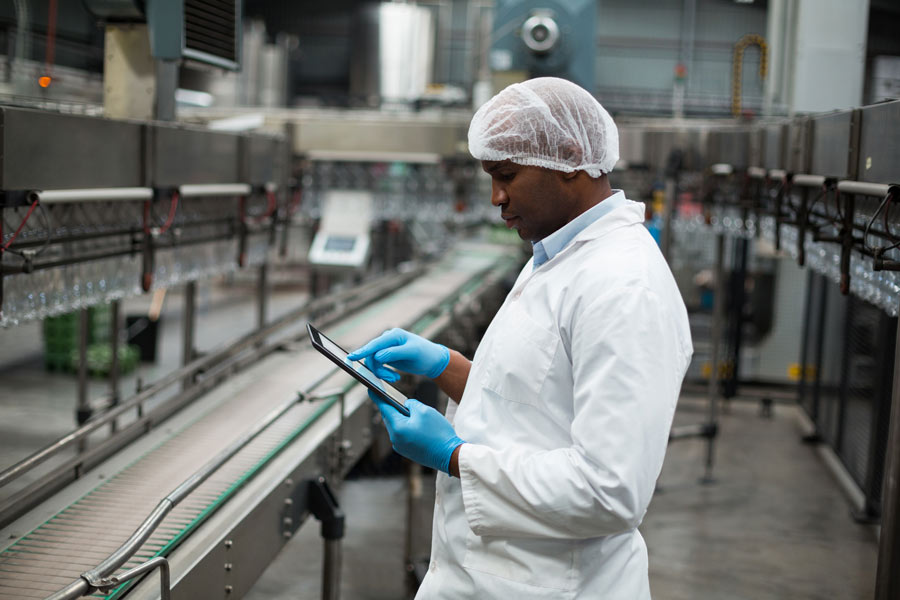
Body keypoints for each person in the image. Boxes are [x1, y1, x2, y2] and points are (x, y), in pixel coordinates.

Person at [348, 77, 693, 599]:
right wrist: (445, 366)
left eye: (506, 175)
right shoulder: (558, 255)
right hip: (495, 572)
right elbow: (537, 406)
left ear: (571, 158)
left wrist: (455, 456)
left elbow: (611, 490)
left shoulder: (624, 288)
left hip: (552, 584)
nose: (495, 197)